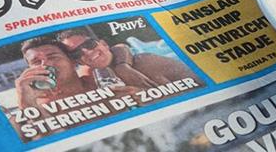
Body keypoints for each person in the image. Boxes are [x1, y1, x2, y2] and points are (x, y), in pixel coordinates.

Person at [58, 31, 201, 90]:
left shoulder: (146, 60)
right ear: (78, 62)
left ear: (104, 44)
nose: (87, 52)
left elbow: (199, 81)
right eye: (77, 53)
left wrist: (122, 66)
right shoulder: (88, 79)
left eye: (89, 45)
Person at [14, 37, 95, 110]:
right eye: (36, 62)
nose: (45, 64)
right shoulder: (40, 105)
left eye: (52, 57)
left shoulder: (94, 77)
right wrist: (25, 103)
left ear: (72, 61)